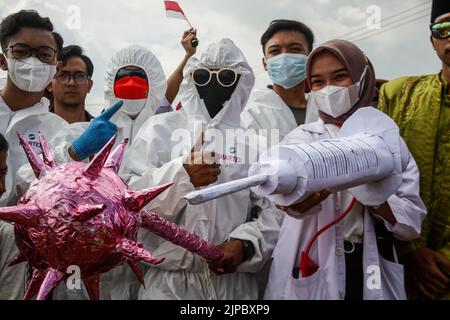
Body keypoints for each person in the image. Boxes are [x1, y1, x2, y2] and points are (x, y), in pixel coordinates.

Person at [121, 38, 283, 300]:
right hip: (168, 284)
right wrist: (182, 176)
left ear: (242, 82)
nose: (213, 84)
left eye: (227, 77)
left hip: (234, 286)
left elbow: (275, 211)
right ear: (190, 77)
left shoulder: (254, 141)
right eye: (202, 75)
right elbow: (126, 202)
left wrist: (245, 244)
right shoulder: (160, 130)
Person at [264, 39, 426, 300]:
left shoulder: (389, 141)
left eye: (340, 77)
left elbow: (411, 224)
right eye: (318, 82)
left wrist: (376, 195)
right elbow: (284, 198)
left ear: (362, 78)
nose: (328, 89)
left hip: (368, 264)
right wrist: (292, 201)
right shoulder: (300, 139)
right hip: (311, 261)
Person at [379, 0, 450, 300]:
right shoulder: (397, 94)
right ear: (432, 40)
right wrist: (411, 251)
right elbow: (378, 179)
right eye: (444, 28)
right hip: (401, 267)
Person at [0, 10, 67, 300]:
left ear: (56, 66)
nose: (33, 61)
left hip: (26, 262)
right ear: (2, 59)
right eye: (22, 51)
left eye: (44, 54)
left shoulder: (62, 133)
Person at [241, 20, 314, 141]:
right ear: (265, 63)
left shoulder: (326, 108)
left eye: (295, 49)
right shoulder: (250, 116)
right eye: (275, 51)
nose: (284, 56)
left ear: (310, 58)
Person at [47, 45, 94, 123]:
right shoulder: (32, 130)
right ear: (49, 84)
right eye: (63, 76)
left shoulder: (105, 133)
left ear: (89, 85)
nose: (71, 83)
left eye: (79, 76)